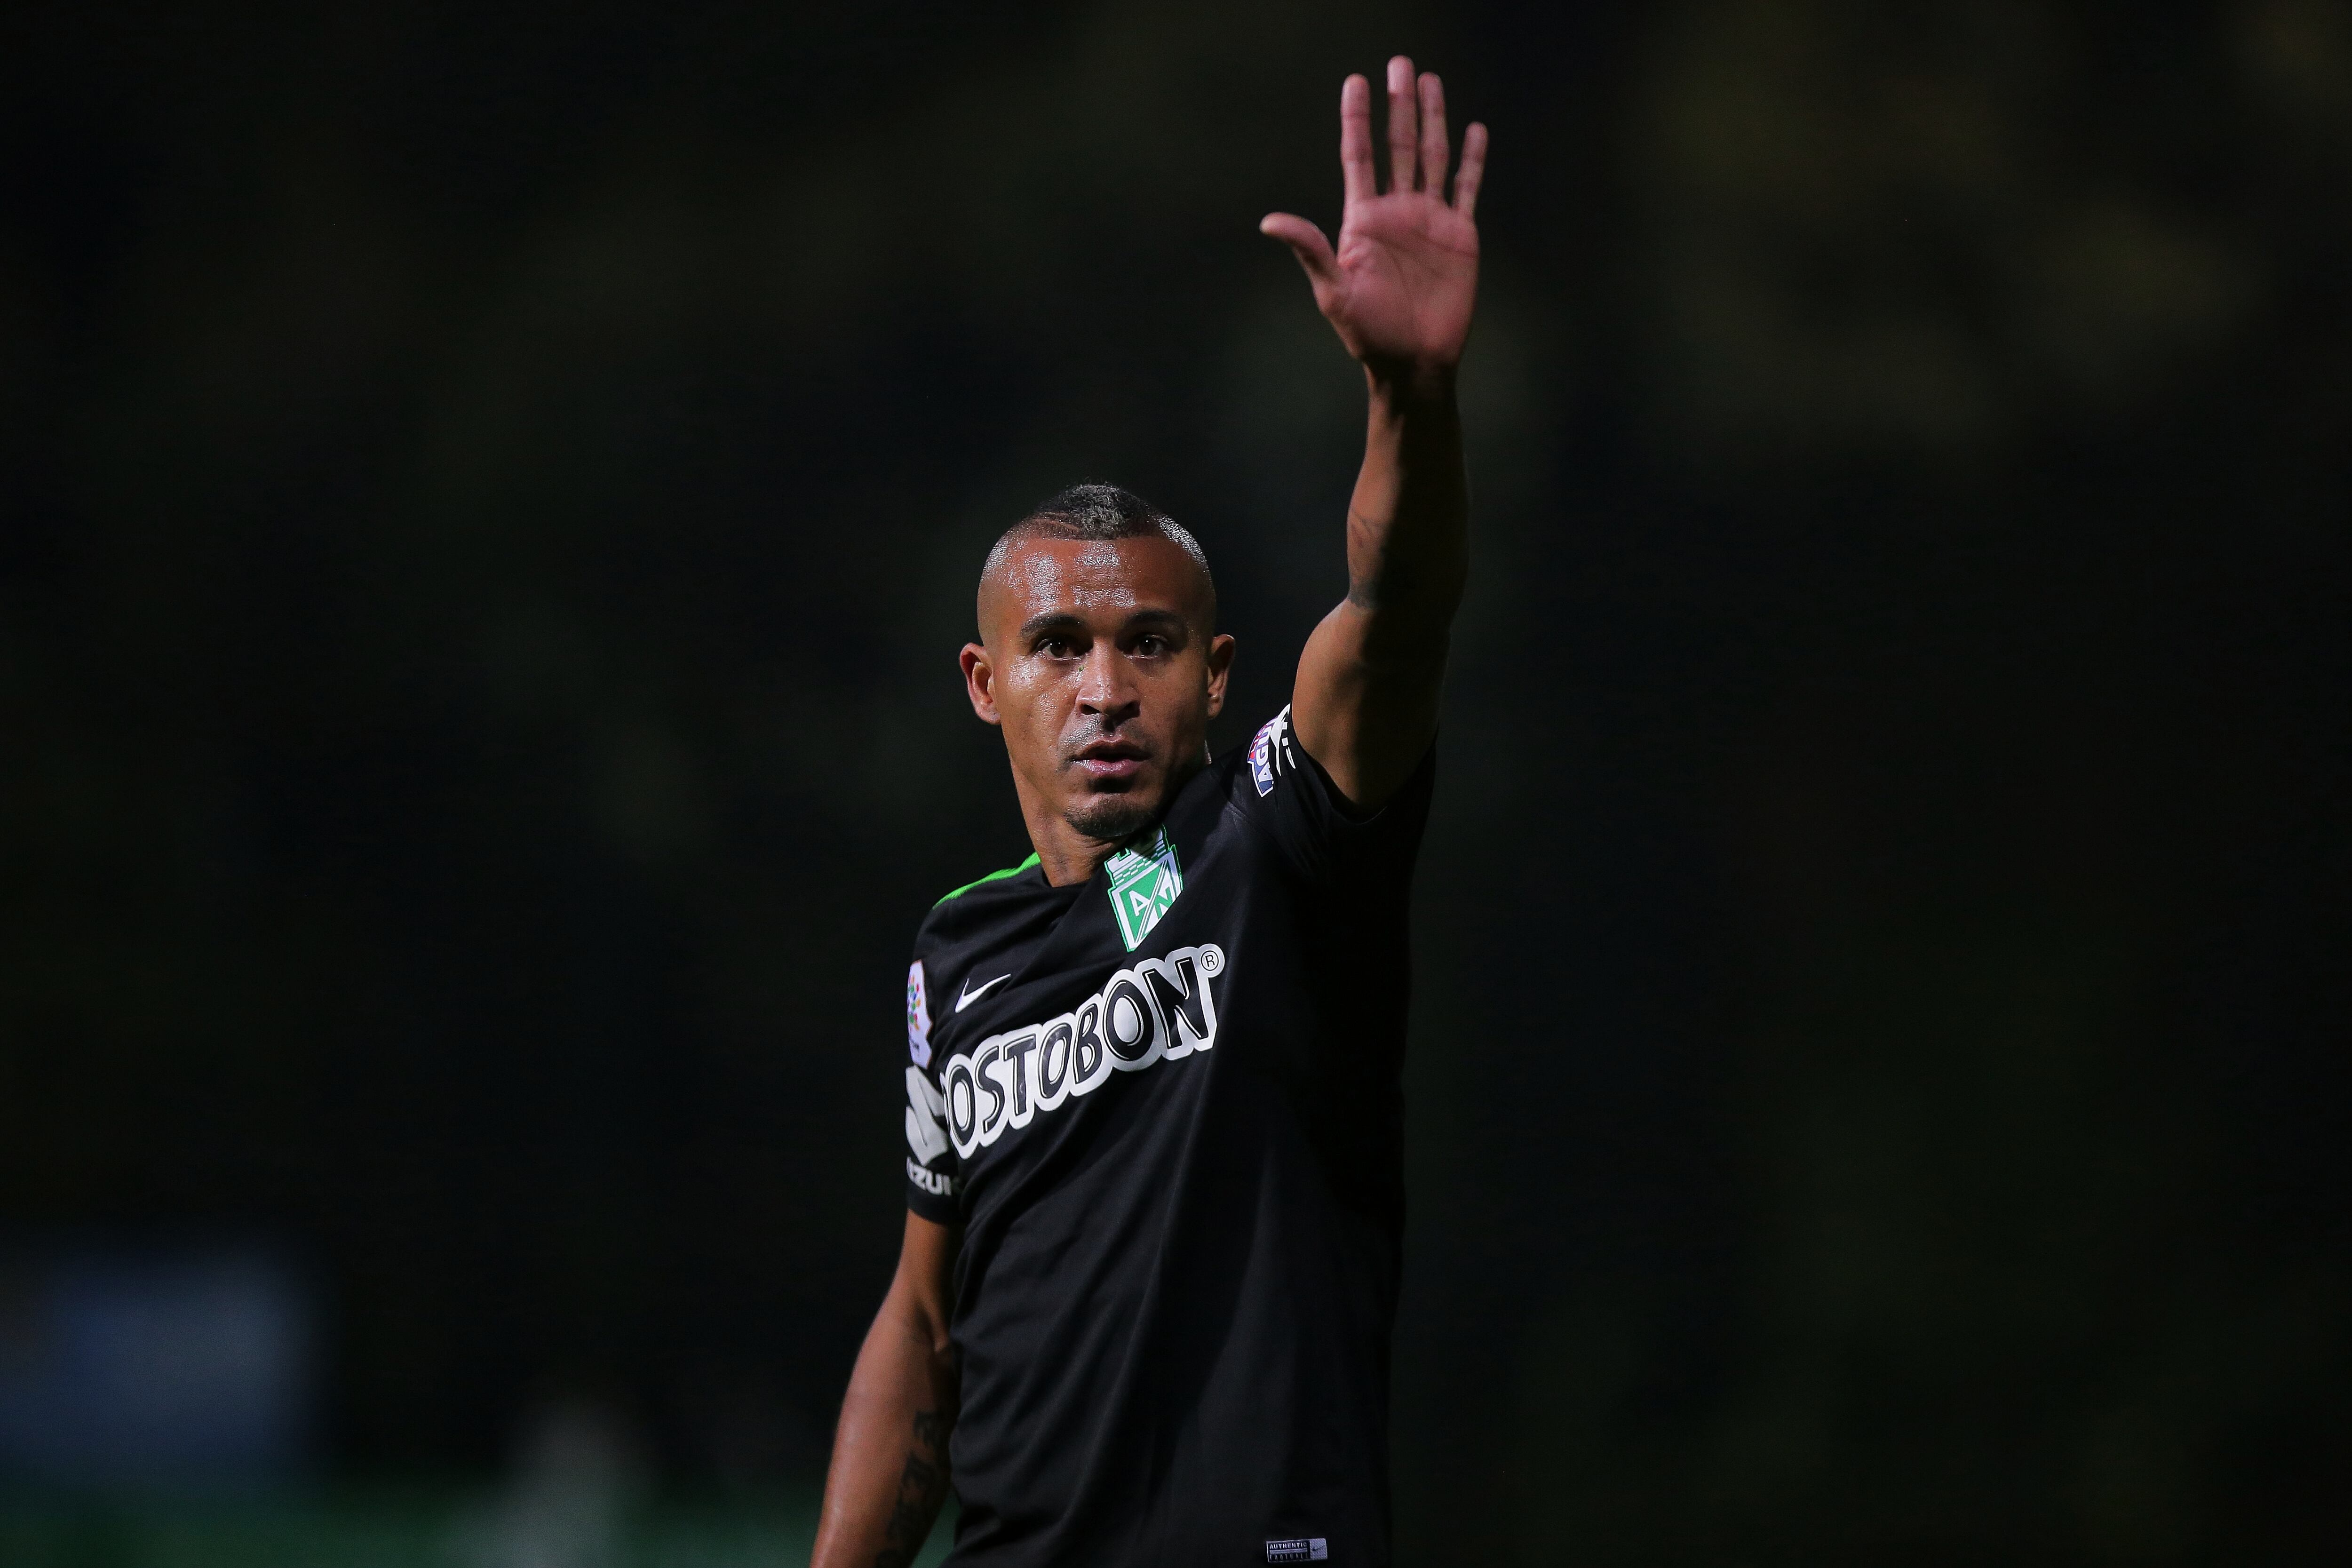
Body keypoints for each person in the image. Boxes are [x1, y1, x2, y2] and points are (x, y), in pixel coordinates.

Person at [809, 55, 1487, 1568]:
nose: (1106, 686)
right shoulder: (955, 957)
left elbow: (1398, 613)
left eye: (1151, 645)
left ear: (1216, 675)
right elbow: (923, 1325)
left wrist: (1409, 397)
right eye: (1061, 648)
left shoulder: (1275, 848)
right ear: (988, 685)